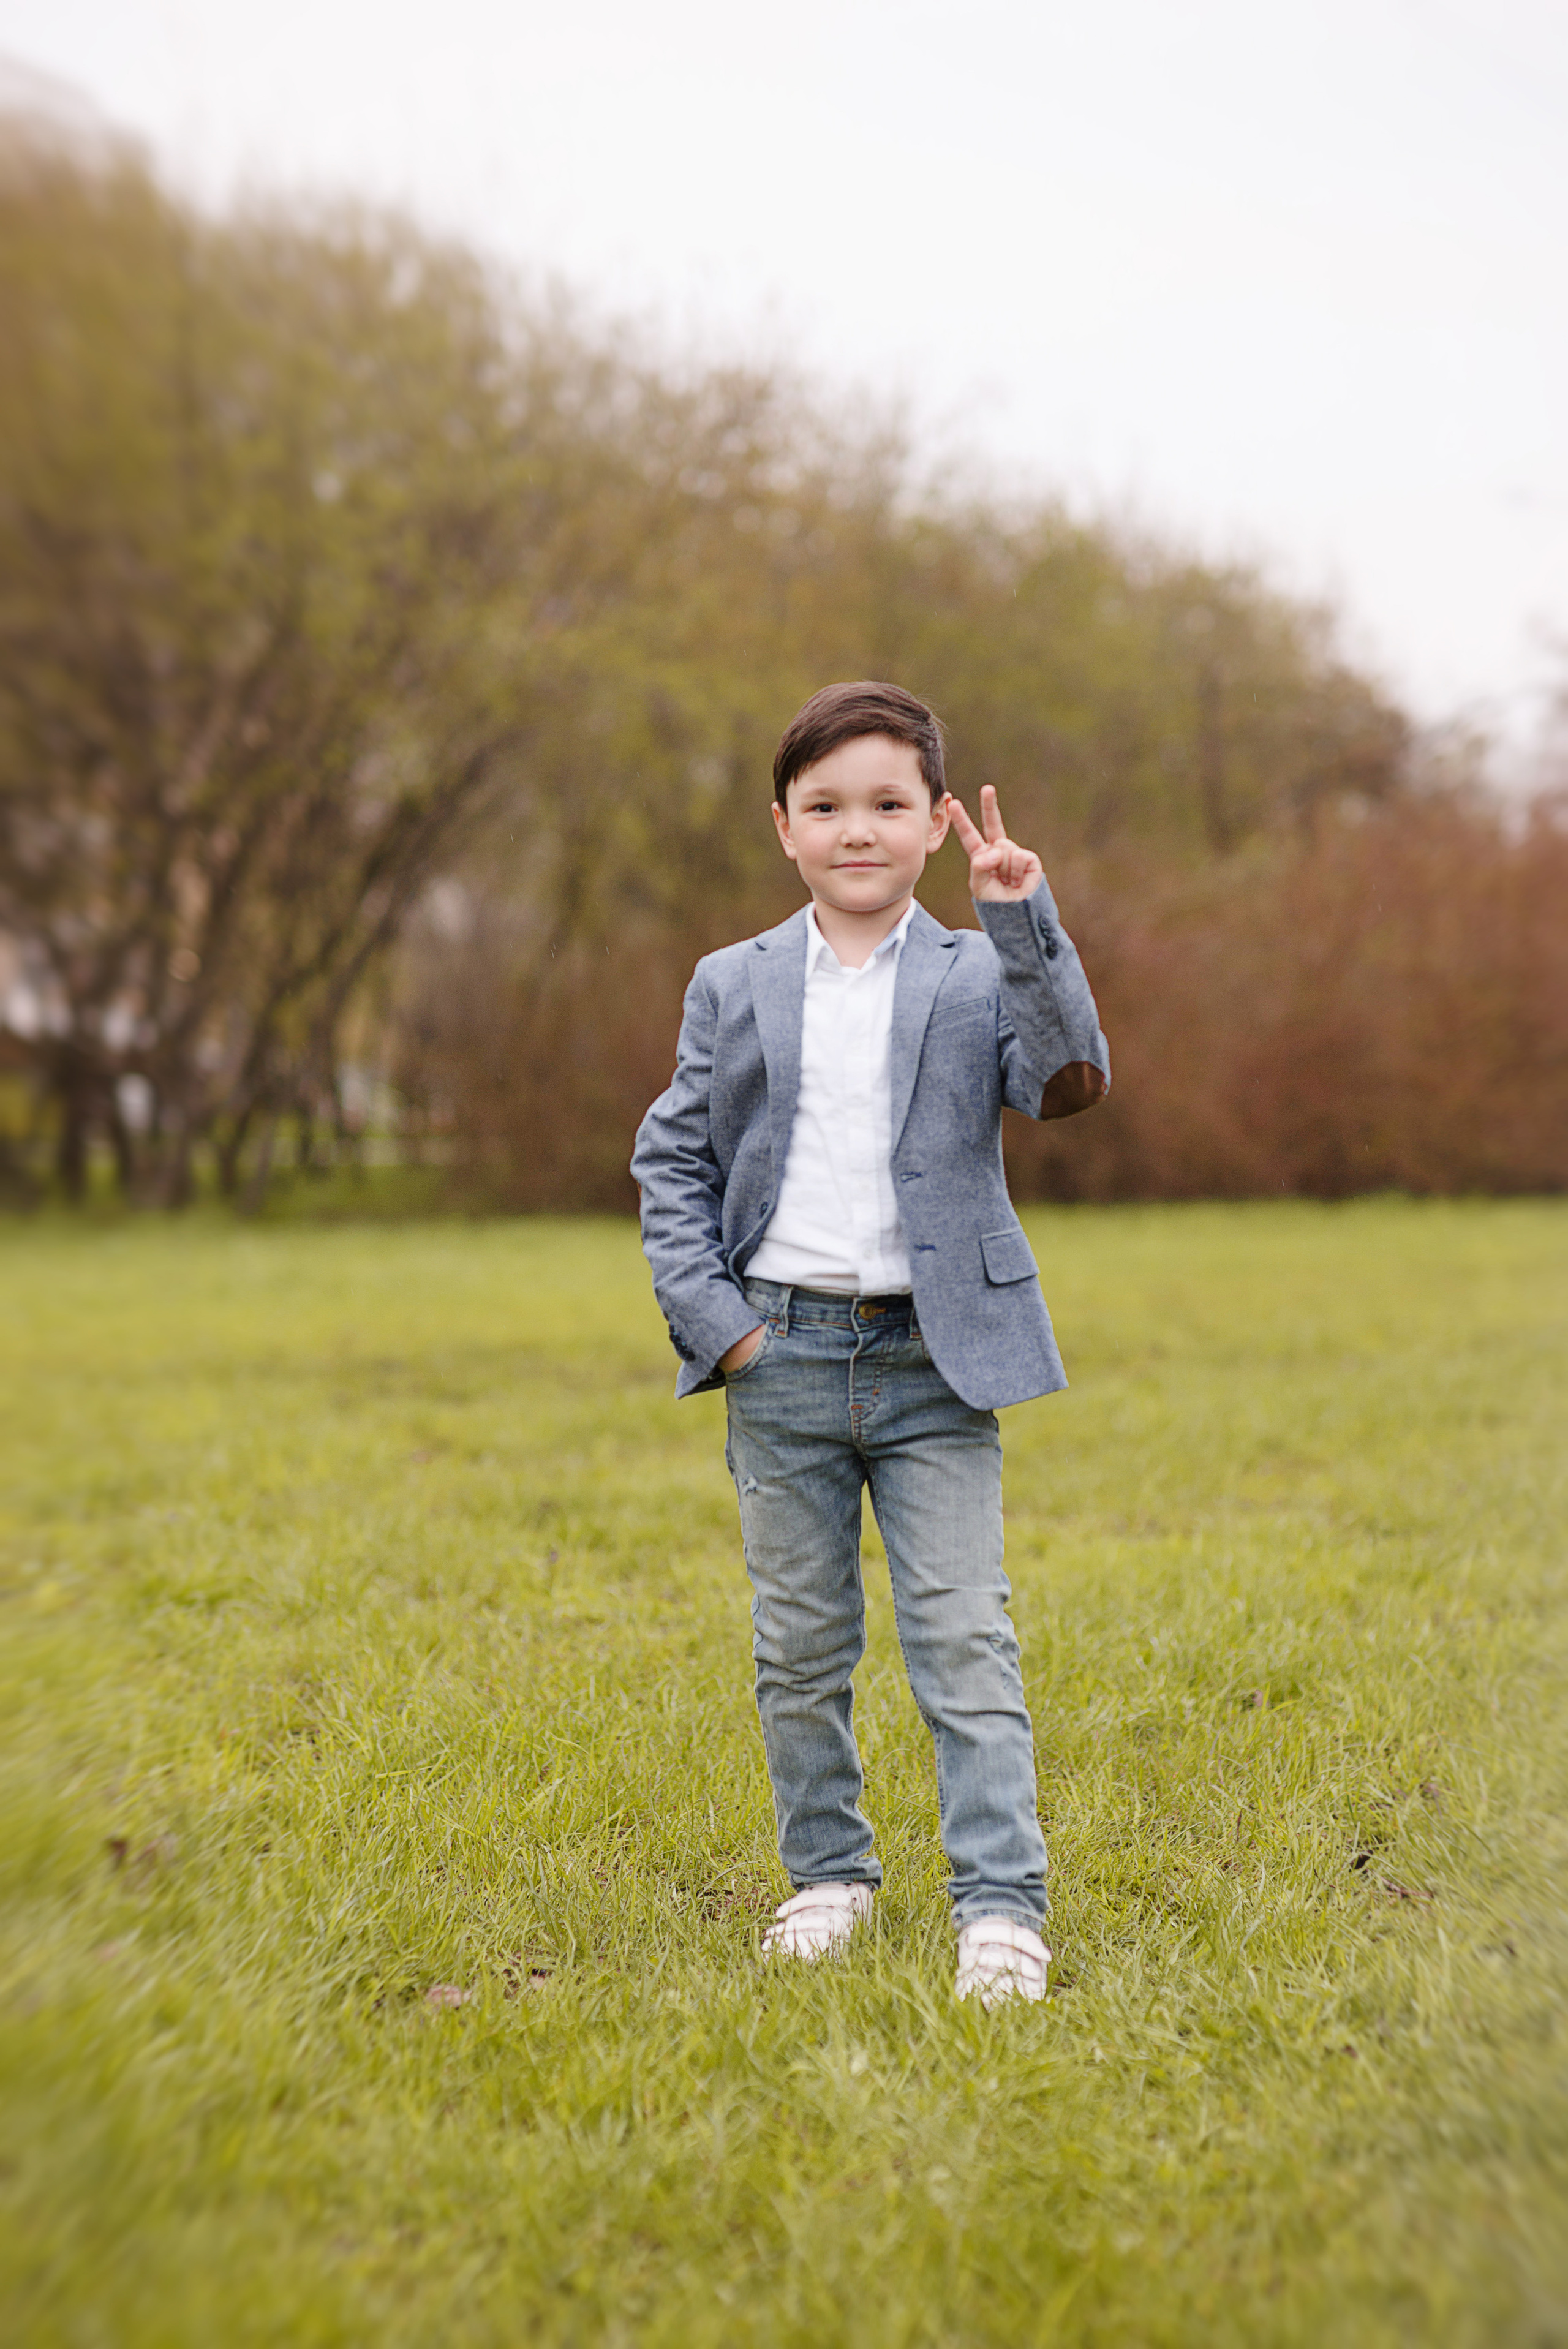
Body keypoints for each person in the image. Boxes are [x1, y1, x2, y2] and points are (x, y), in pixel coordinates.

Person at [631, 681, 1110, 2005]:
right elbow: (670, 1159)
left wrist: (1022, 917)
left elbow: (1063, 1080)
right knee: (799, 1644)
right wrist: (718, 1327)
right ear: (781, 825)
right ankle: (828, 1876)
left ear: (936, 821)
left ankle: (1000, 1907)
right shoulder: (732, 981)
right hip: (774, 1356)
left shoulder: (971, 968)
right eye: (826, 806)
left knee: (962, 1637)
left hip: (931, 1362)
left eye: (889, 805)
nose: (858, 830)